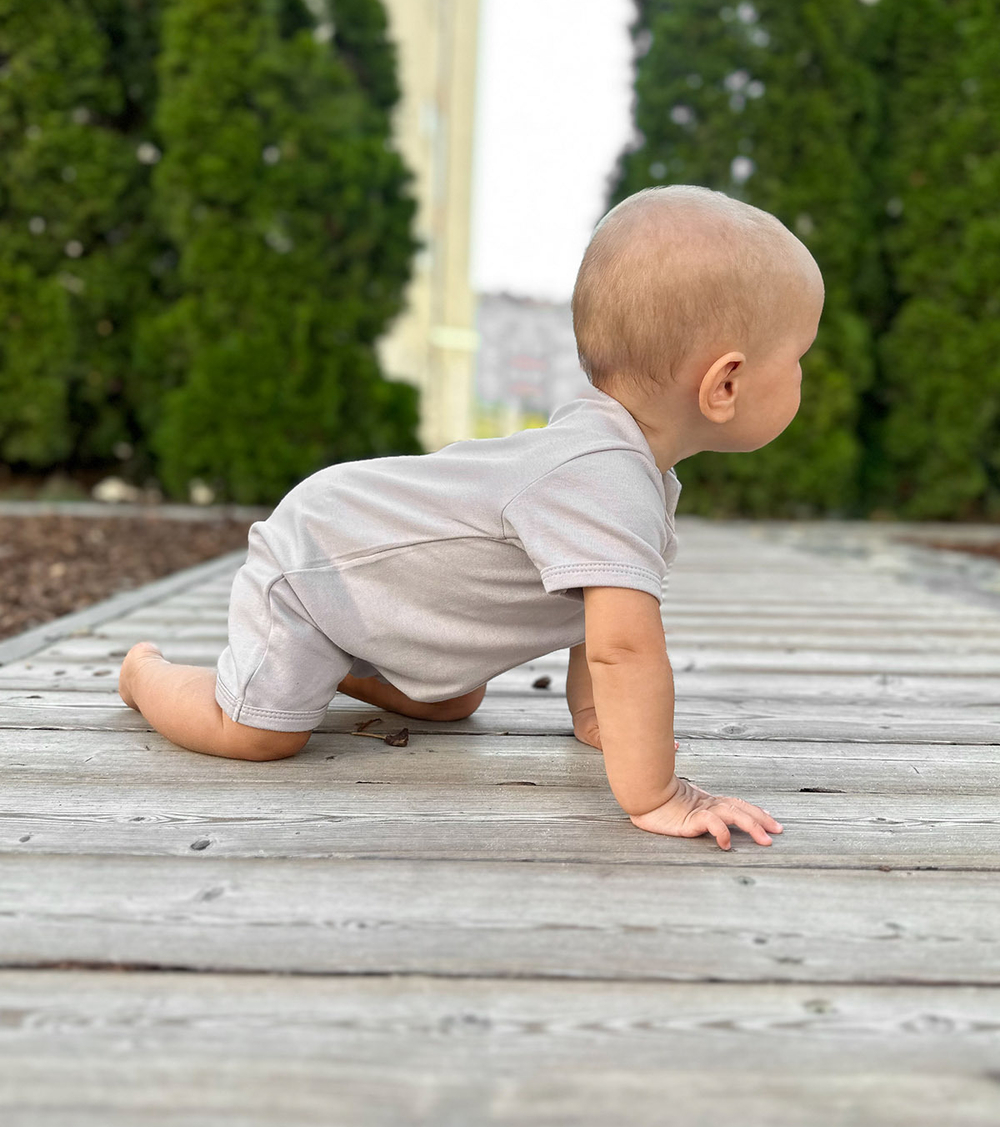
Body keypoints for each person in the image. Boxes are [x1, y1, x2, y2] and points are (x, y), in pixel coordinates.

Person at [119, 184, 823, 849]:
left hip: (384, 592)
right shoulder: (603, 477)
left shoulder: (625, 464)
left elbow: (598, 614)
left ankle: (330, 664)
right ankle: (144, 672)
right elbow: (624, 649)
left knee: (453, 701)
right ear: (724, 383)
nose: (804, 374)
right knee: (259, 734)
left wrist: (597, 714)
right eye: (798, 357)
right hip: (318, 563)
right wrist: (662, 795)